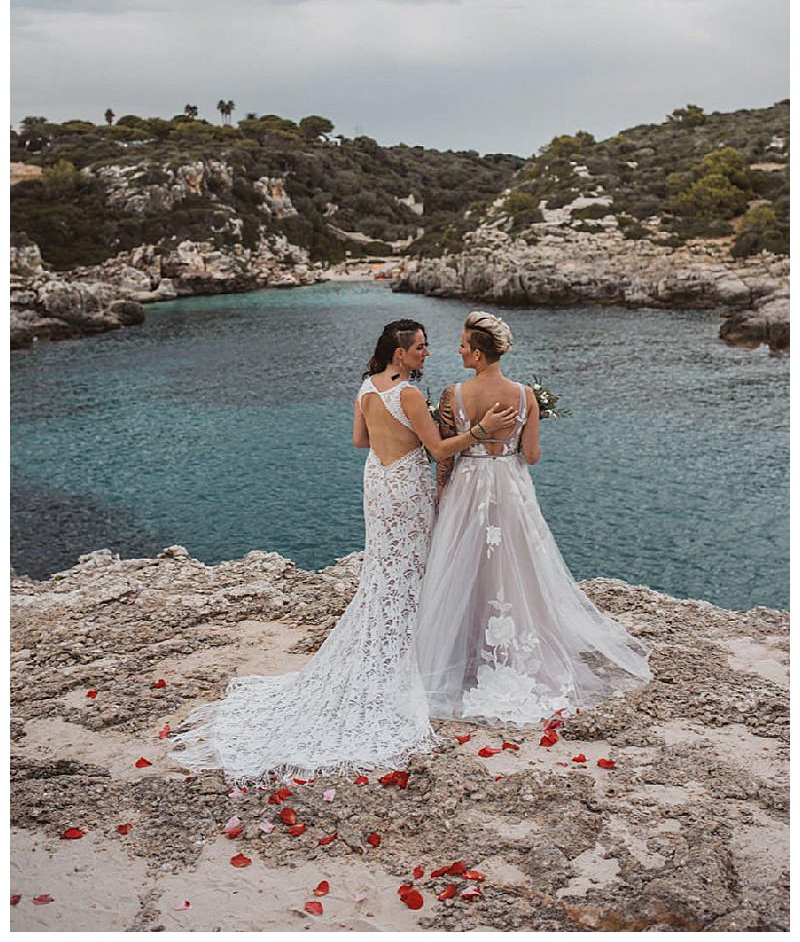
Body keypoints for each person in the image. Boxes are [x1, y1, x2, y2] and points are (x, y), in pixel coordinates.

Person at [171, 318, 517, 783]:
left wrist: (396, 440)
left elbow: (360, 441)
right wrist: (481, 430)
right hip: (408, 487)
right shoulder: (410, 394)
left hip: (378, 482)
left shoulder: (366, 388)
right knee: (414, 568)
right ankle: (416, 654)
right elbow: (438, 451)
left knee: (384, 570)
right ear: (399, 353)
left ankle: (398, 643)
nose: (426, 353)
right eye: (420, 347)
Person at [415, 310, 652, 725]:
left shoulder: (454, 394)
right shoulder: (525, 395)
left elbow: (446, 453)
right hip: (510, 485)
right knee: (518, 566)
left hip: (468, 485)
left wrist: (441, 492)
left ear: (479, 353)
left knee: (462, 564)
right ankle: (518, 653)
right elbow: (534, 456)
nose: (459, 349)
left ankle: (463, 650)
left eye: (464, 344)